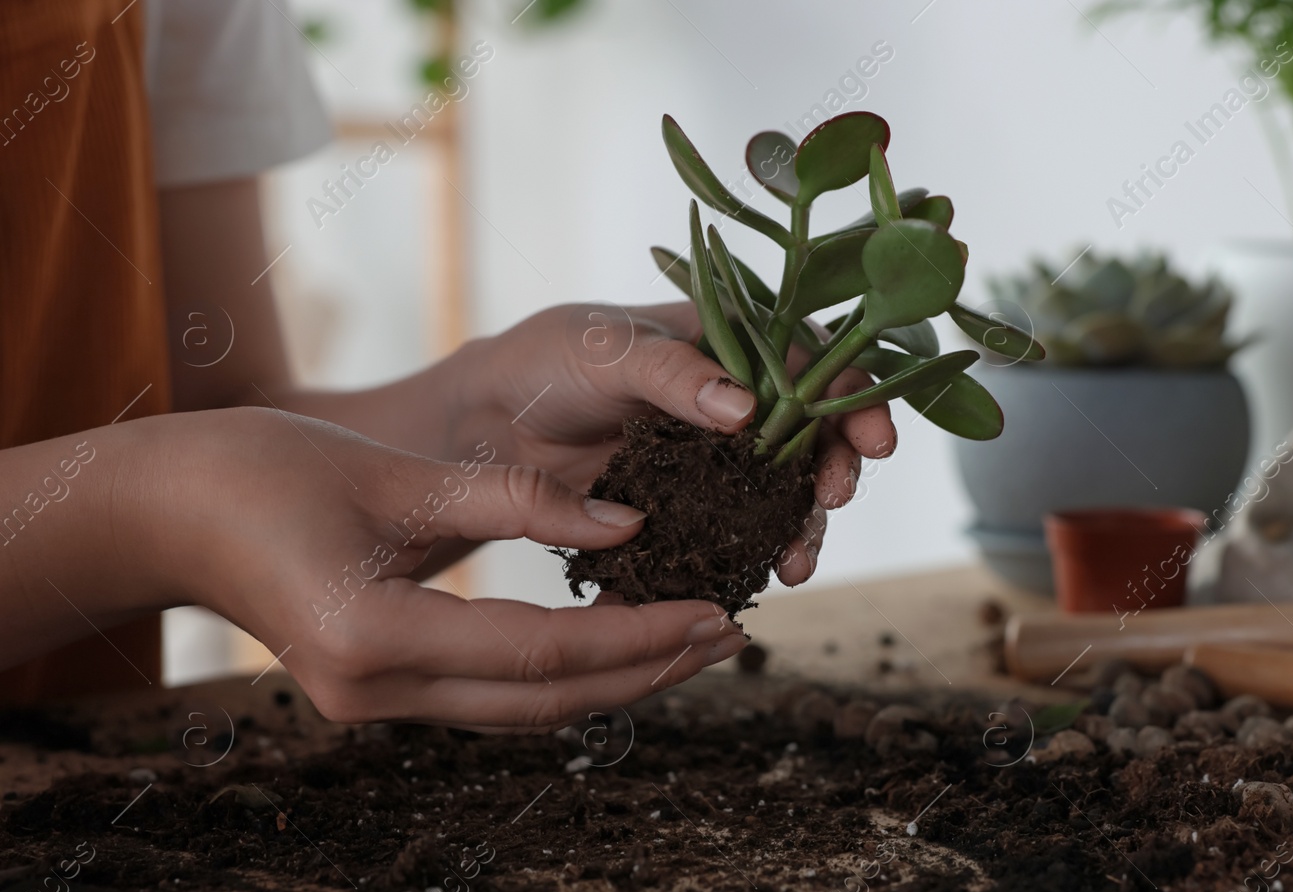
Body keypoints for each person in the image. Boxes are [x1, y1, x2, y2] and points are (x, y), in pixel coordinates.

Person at [0, 0, 894, 729]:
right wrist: (156, 512)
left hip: (74, 770)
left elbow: (217, 408)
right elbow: (182, 469)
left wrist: (485, 419)